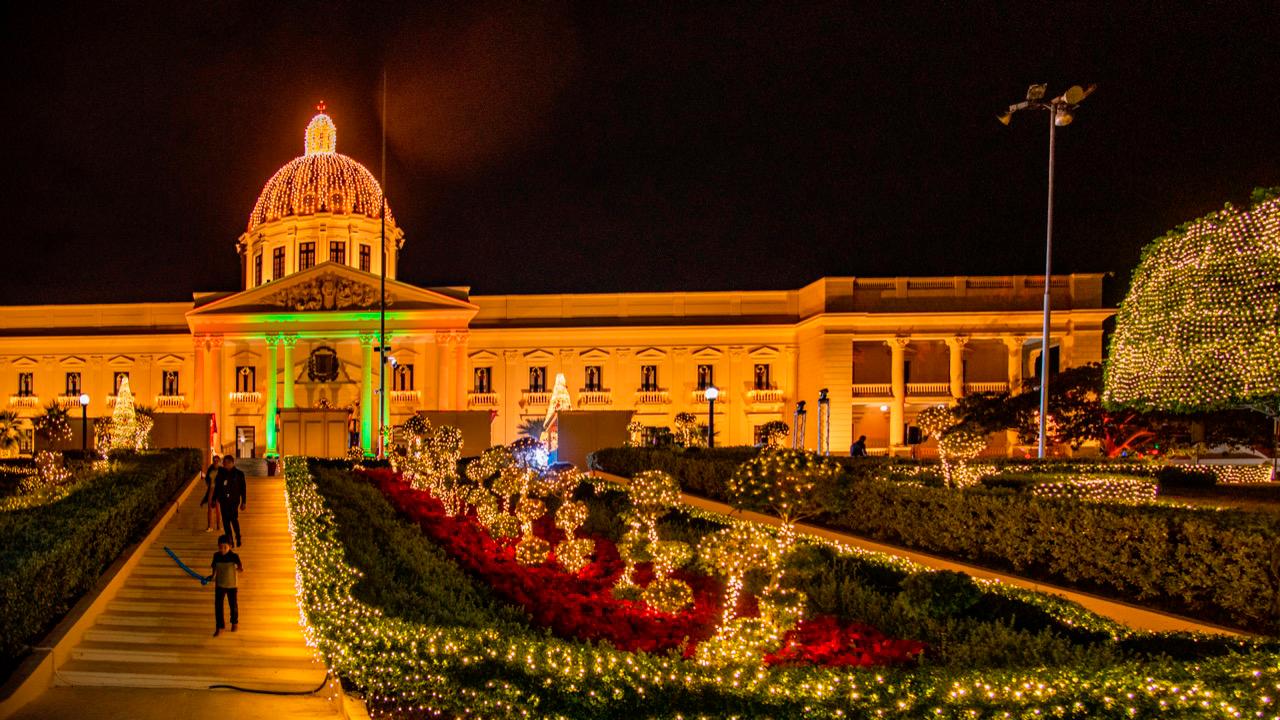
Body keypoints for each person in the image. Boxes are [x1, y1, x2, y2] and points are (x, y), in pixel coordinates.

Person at [208, 534, 243, 636]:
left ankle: (234, 622)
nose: (222, 550)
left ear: (230, 546)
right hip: (220, 584)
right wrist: (212, 576)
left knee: (233, 605)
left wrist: (239, 569)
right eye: (220, 547)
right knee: (218, 606)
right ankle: (220, 626)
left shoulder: (234, 556)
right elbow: (214, 567)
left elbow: (240, 567)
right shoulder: (216, 556)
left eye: (225, 547)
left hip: (232, 585)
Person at [212, 455, 247, 547]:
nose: (224, 465)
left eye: (226, 463)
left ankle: (238, 536)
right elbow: (217, 487)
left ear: (232, 463)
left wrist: (244, 501)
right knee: (225, 521)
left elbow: (243, 488)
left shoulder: (239, 474)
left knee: (233, 519)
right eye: (223, 463)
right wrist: (213, 499)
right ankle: (230, 539)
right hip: (223, 501)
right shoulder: (221, 474)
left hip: (234, 501)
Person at [201, 457, 222, 533]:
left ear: (219, 461)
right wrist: (209, 485)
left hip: (218, 491)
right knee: (210, 508)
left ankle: (219, 526)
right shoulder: (210, 468)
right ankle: (210, 526)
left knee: (218, 508)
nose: (215, 462)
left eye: (217, 461)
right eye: (214, 460)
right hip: (211, 490)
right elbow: (207, 479)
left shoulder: (221, 470)